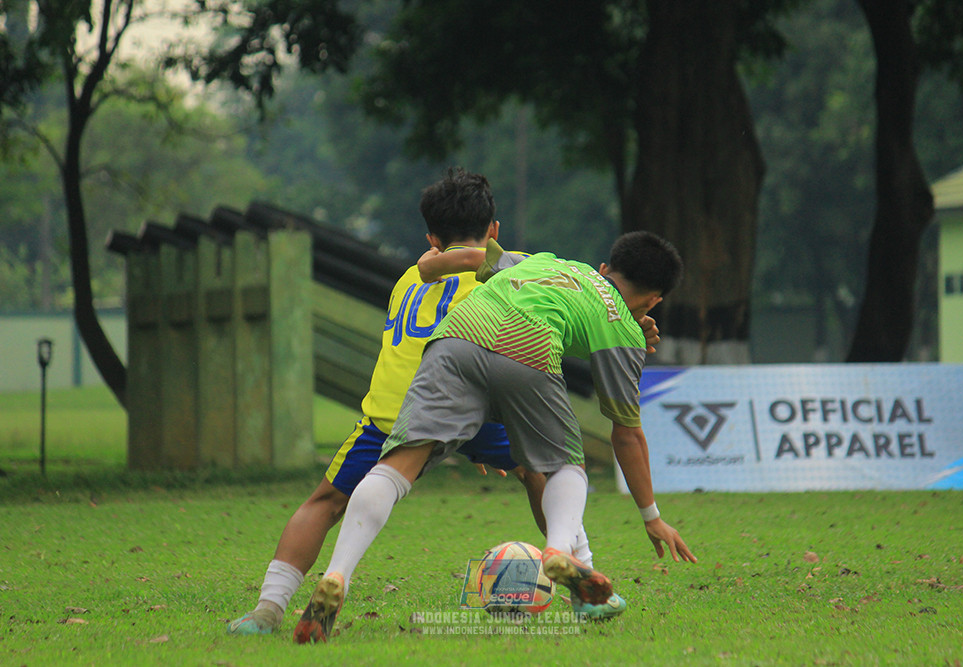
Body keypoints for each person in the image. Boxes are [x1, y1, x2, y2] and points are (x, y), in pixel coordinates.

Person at [227, 168, 618, 636]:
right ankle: (586, 588)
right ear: (494, 230)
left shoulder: (409, 276)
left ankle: (268, 609)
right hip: (477, 399)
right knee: (545, 470)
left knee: (325, 501)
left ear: (431, 235)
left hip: (395, 408)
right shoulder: (515, 266)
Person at [292, 230, 698, 644]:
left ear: (605, 269)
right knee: (564, 466)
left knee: (396, 466)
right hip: (529, 349)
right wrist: (652, 517)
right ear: (653, 301)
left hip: (455, 338)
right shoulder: (625, 330)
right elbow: (627, 435)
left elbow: (475, 258)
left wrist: (429, 266)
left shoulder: (551, 261)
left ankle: (339, 572)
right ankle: (558, 550)